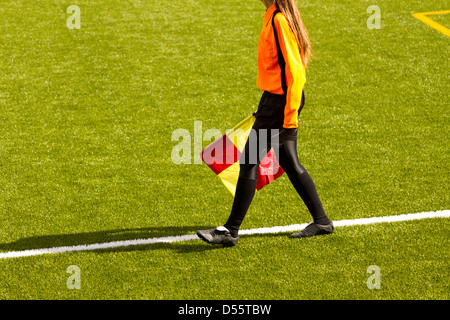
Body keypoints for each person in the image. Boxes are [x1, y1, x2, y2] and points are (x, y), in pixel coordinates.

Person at [197, 0, 333, 247]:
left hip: (281, 105)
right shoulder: (272, 17)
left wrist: (288, 115)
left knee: (249, 161)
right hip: (274, 101)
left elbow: (295, 72)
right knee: (289, 162)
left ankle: (230, 230)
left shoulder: (279, 20)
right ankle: (321, 220)